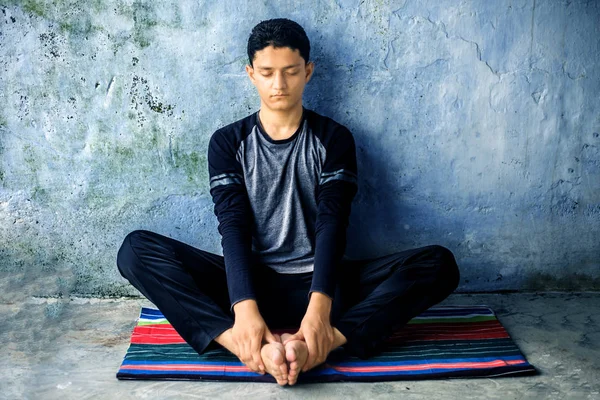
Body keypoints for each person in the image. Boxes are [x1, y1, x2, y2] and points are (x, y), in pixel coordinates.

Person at [117, 18, 460, 386]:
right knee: (135, 250)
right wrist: (244, 309)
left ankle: (326, 340)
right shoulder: (227, 142)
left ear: (308, 71)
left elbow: (333, 222)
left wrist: (319, 309)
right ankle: (242, 343)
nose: (278, 84)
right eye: (267, 73)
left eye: (290, 72)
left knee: (438, 264)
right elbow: (232, 226)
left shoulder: (334, 138)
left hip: (325, 286)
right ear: (251, 74)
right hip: (252, 285)